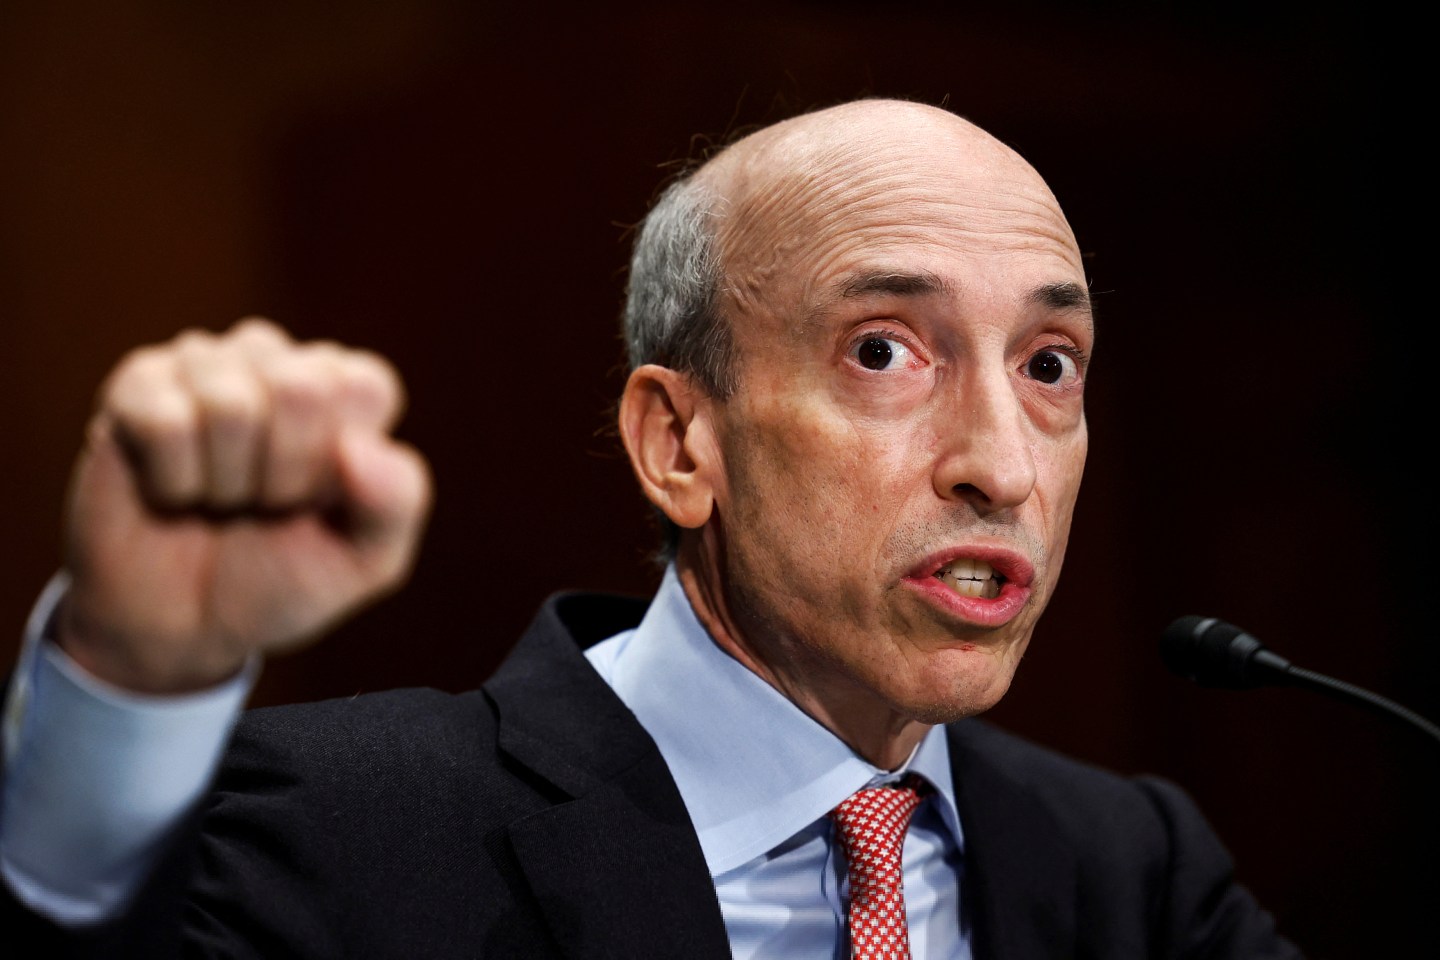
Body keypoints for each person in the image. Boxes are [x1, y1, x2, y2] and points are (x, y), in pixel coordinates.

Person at [0, 98, 1304, 958]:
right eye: (884, 349)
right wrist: (126, 684)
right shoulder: (339, 831)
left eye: (1050, 365)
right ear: (680, 444)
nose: (1001, 468)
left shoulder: (1135, 878)